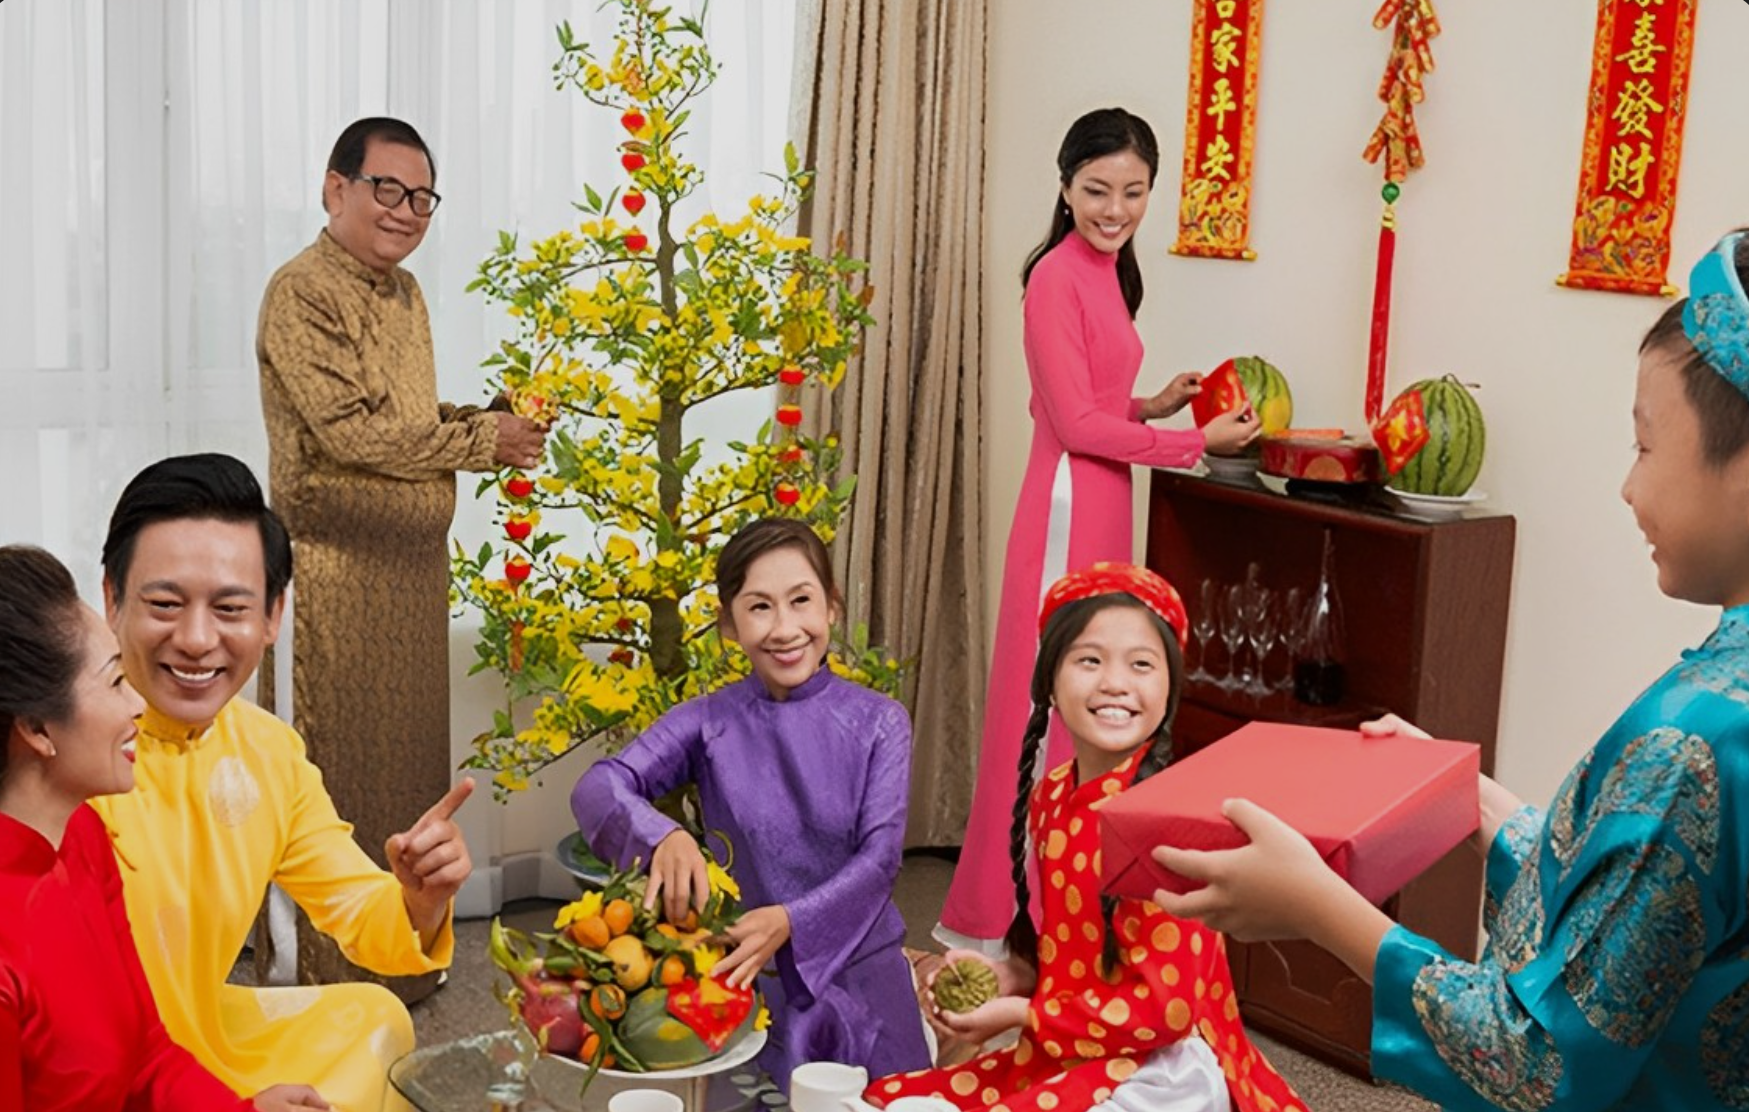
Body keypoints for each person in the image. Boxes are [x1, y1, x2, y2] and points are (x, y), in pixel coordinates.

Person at [1152, 231, 1749, 1110]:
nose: (1627, 488)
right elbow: (1637, 926)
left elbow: (1537, 1059)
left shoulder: (1695, 741)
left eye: (1645, 446)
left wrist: (1315, 908)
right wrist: (1468, 798)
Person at [937, 108, 1259, 951]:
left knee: (1091, 699)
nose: (1114, 210)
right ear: (1064, 188)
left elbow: (1081, 398)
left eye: (1133, 191)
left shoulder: (1108, 271)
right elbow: (1072, 425)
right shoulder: (1054, 275)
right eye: (1095, 191)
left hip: (1104, 497)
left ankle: (1075, 909)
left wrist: (1149, 405)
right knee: (1048, 704)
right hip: (1067, 506)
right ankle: (1013, 919)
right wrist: (1194, 443)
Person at [88, 453, 476, 1112]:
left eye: (230, 608)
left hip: (204, 1034)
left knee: (376, 1017)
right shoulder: (65, 743)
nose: (196, 639)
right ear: (112, 599)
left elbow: (357, 910)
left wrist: (421, 898)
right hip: (92, 1062)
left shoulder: (267, 750)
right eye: (165, 604)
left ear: (272, 616)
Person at [256, 116, 545, 993]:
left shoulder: (406, 292)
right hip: (334, 578)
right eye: (387, 188)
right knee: (330, 784)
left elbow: (405, 422)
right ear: (334, 187)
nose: (405, 210)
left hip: (412, 581)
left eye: (422, 197)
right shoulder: (301, 291)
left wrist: (484, 419)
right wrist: (479, 443)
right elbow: (351, 435)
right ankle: (322, 977)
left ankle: (405, 964)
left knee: (409, 783)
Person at [870, 563, 1301, 1112]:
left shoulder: (1170, 821)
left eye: (1141, 664)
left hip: (1160, 1067)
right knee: (889, 1099)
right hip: (1073, 1043)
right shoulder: (1052, 794)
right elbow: (1076, 960)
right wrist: (1010, 977)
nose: (1115, 682)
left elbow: (1166, 1013)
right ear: (1049, 680)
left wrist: (1022, 1016)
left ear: (1170, 686)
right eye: (1089, 660)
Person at [571, 517, 931, 1092]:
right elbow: (598, 786)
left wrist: (792, 921)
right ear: (729, 625)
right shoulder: (708, 719)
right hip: (749, 983)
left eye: (801, 601)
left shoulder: (880, 722)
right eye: (760, 607)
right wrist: (663, 836)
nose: (785, 628)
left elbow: (880, 860)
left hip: (865, 981)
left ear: (832, 606)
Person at [0, 545, 326, 1111]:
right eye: (114, 682)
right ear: (36, 728)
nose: (137, 704)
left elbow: (148, 1052)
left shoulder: (82, 837)